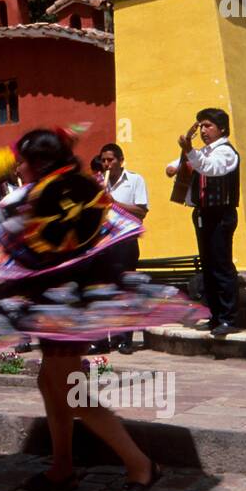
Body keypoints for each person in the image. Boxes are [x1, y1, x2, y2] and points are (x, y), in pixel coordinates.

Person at [0, 128, 197, 491]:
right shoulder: (73, 188)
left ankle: (141, 465)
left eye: (22, 161)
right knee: (50, 383)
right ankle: (62, 467)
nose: (17, 167)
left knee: (71, 391)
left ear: (38, 163)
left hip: (66, 308)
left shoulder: (46, 197)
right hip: (60, 303)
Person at [165, 108, 241, 337]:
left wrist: (188, 151)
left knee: (221, 265)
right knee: (208, 267)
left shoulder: (226, 152)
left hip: (221, 214)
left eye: (208, 125)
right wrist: (176, 164)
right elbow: (188, 163)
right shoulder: (205, 151)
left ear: (222, 129)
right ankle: (215, 315)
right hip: (202, 213)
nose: (204, 130)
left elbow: (209, 167)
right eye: (201, 126)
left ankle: (229, 318)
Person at [99, 144, 150, 354]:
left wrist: (114, 203)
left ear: (120, 160)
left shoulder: (135, 180)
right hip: (104, 243)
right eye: (103, 160)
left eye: (110, 160)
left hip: (125, 242)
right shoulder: (100, 182)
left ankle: (125, 338)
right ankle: (103, 339)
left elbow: (141, 211)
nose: (106, 164)